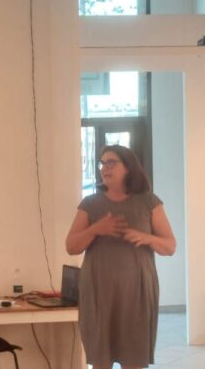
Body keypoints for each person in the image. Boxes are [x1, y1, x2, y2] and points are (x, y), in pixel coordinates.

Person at [66, 145, 176, 369]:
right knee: (101, 359)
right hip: (98, 291)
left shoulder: (149, 202)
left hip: (137, 292)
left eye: (111, 162)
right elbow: (71, 247)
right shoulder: (90, 204)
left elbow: (170, 246)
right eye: (102, 163)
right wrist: (95, 229)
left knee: (133, 358)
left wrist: (146, 237)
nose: (104, 168)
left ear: (128, 167)